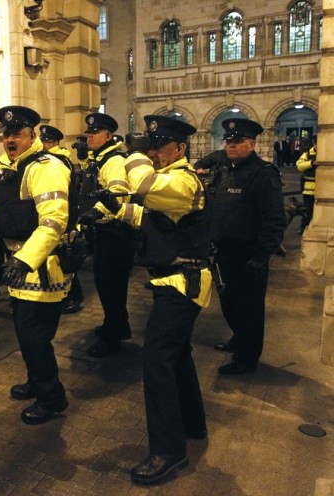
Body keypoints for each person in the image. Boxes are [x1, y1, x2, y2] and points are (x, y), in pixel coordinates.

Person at [102, 115, 211, 485]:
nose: (152, 152)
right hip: (173, 281)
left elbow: (145, 187)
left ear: (180, 149)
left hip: (183, 283)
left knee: (156, 361)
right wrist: (112, 207)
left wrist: (132, 155)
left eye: (158, 146)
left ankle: (169, 450)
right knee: (177, 355)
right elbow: (151, 219)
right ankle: (193, 425)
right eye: (149, 146)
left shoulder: (181, 180)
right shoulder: (172, 182)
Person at [0, 106, 73, 425]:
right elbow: (5, 206)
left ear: (32, 135)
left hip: (41, 269)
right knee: (27, 334)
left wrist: (25, 259)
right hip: (22, 267)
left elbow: (54, 220)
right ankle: (37, 380)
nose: (10, 139)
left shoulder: (45, 167)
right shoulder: (19, 166)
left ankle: (51, 398)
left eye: (17, 133)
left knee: (34, 337)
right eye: (7, 134)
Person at [209, 118, 286, 375]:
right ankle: (239, 338)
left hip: (248, 256)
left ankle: (247, 358)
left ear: (252, 144)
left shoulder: (263, 174)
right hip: (223, 253)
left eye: (238, 141)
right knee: (229, 303)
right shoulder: (225, 169)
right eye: (228, 141)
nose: (231, 145)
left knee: (250, 309)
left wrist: (263, 255)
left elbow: (274, 219)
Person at [77, 113, 135, 357]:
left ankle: (113, 338)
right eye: (88, 132)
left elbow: (118, 191)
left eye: (95, 132)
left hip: (115, 233)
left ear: (108, 136)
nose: (89, 136)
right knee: (106, 284)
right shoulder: (99, 159)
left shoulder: (113, 161)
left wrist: (94, 213)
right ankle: (116, 326)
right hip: (104, 231)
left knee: (111, 286)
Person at [43, 125, 84, 314]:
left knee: (65, 261)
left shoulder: (59, 161)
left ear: (56, 143)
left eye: (48, 141)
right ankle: (66, 294)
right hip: (60, 215)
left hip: (64, 216)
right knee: (59, 260)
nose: (45, 145)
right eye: (43, 141)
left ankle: (74, 296)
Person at [296, 136, 317, 234]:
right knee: (307, 211)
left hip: (322, 189)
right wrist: (311, 163)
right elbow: (299, 166)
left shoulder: (327, 153)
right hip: (308, 189)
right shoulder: (307, 154)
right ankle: (303, 227)